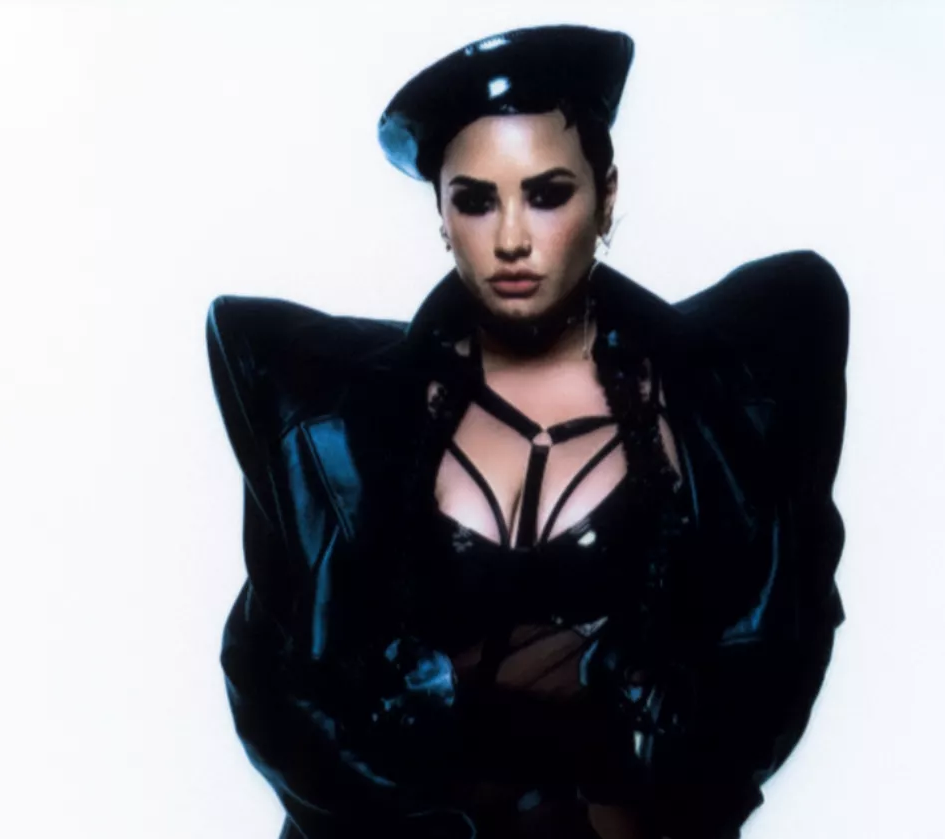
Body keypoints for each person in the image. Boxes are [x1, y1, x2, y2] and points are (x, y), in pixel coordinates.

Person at [206, 24, 849, 839]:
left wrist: (656, 753)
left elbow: (776, 650)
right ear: (441, 215)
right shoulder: (338, 420)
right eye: (476, 200)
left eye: (547, 193)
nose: (511, 238)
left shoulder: (719, 401)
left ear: (605, 196)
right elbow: (267, 676)